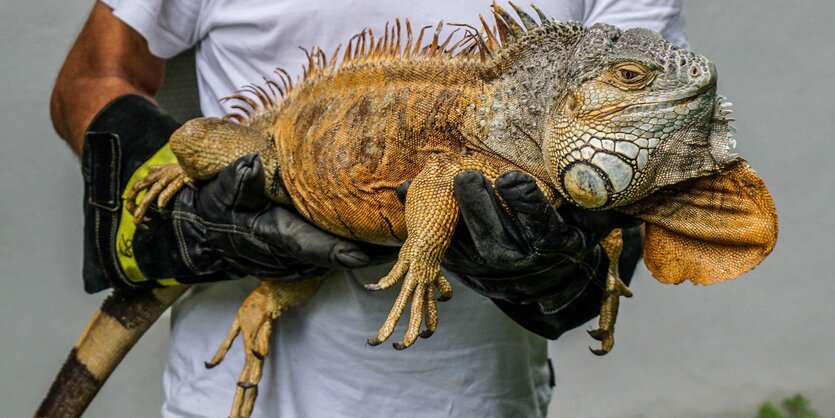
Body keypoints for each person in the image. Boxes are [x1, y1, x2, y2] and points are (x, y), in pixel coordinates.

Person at [51, 1, 687, 416]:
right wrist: (182, 200)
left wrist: (589, 256)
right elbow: (89, 78)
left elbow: (637, 129)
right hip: (232, 393)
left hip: (484, 396)